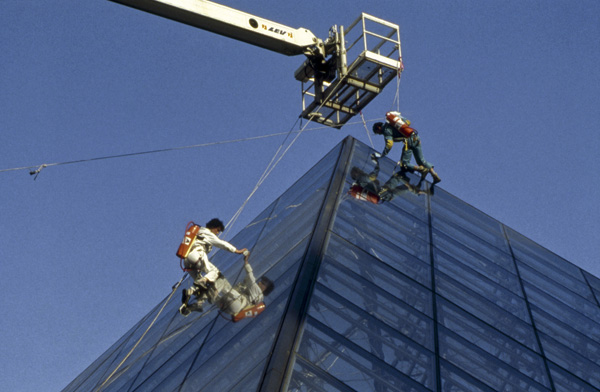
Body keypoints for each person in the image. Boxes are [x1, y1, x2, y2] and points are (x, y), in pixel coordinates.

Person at [179, 218, 248, 314]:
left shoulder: (198, 231)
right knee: (215, 272)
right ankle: (197, 286)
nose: (217, 233)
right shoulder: (207, 233)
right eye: (218, 230)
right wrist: (236, 251)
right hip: (196, 255)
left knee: (203, 284)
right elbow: (221, 244)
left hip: (187, 261)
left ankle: (190, 297)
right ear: (213, 227)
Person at [180, 251, 275, 317]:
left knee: (221, 280)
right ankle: (190, 308)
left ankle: (200, 300)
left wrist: (246, 262)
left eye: (263, 283)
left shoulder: (258, 291)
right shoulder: (256, 298)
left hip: (236, 302)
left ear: (264, 288)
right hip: (230, 308)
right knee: (210, 290)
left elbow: (250, 277)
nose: (260, 282)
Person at [371, 111, 441, 184]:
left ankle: (422, 170)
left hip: (409, 141)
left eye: (377, 132)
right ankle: (434, 175)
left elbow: (389, 144)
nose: (379, 134)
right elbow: (408, 122)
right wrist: (399, 117)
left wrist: (383, 154)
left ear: (378, 128)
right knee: (421, 161)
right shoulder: (395, 123)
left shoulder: (386, 130)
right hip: (416, 137)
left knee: (404, 163)